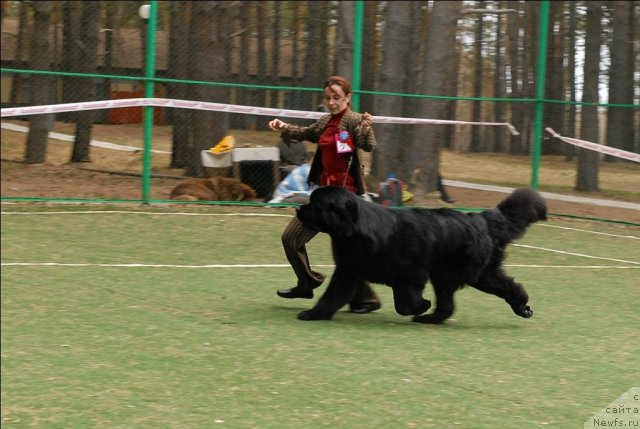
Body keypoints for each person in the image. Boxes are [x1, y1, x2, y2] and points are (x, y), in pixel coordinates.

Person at [268, 75, 381, 314]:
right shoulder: (325, 122)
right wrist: (284, 127)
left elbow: (367, 144)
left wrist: (366, 128)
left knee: (348, 252)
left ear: (348, 97)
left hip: (346, 200)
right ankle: (307, 282)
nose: (331, 102)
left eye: (336, 98)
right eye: (328, 98)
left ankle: (365, 299)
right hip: (323, 196)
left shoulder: (354, 120)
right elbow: (306, 132)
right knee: (291, 238)